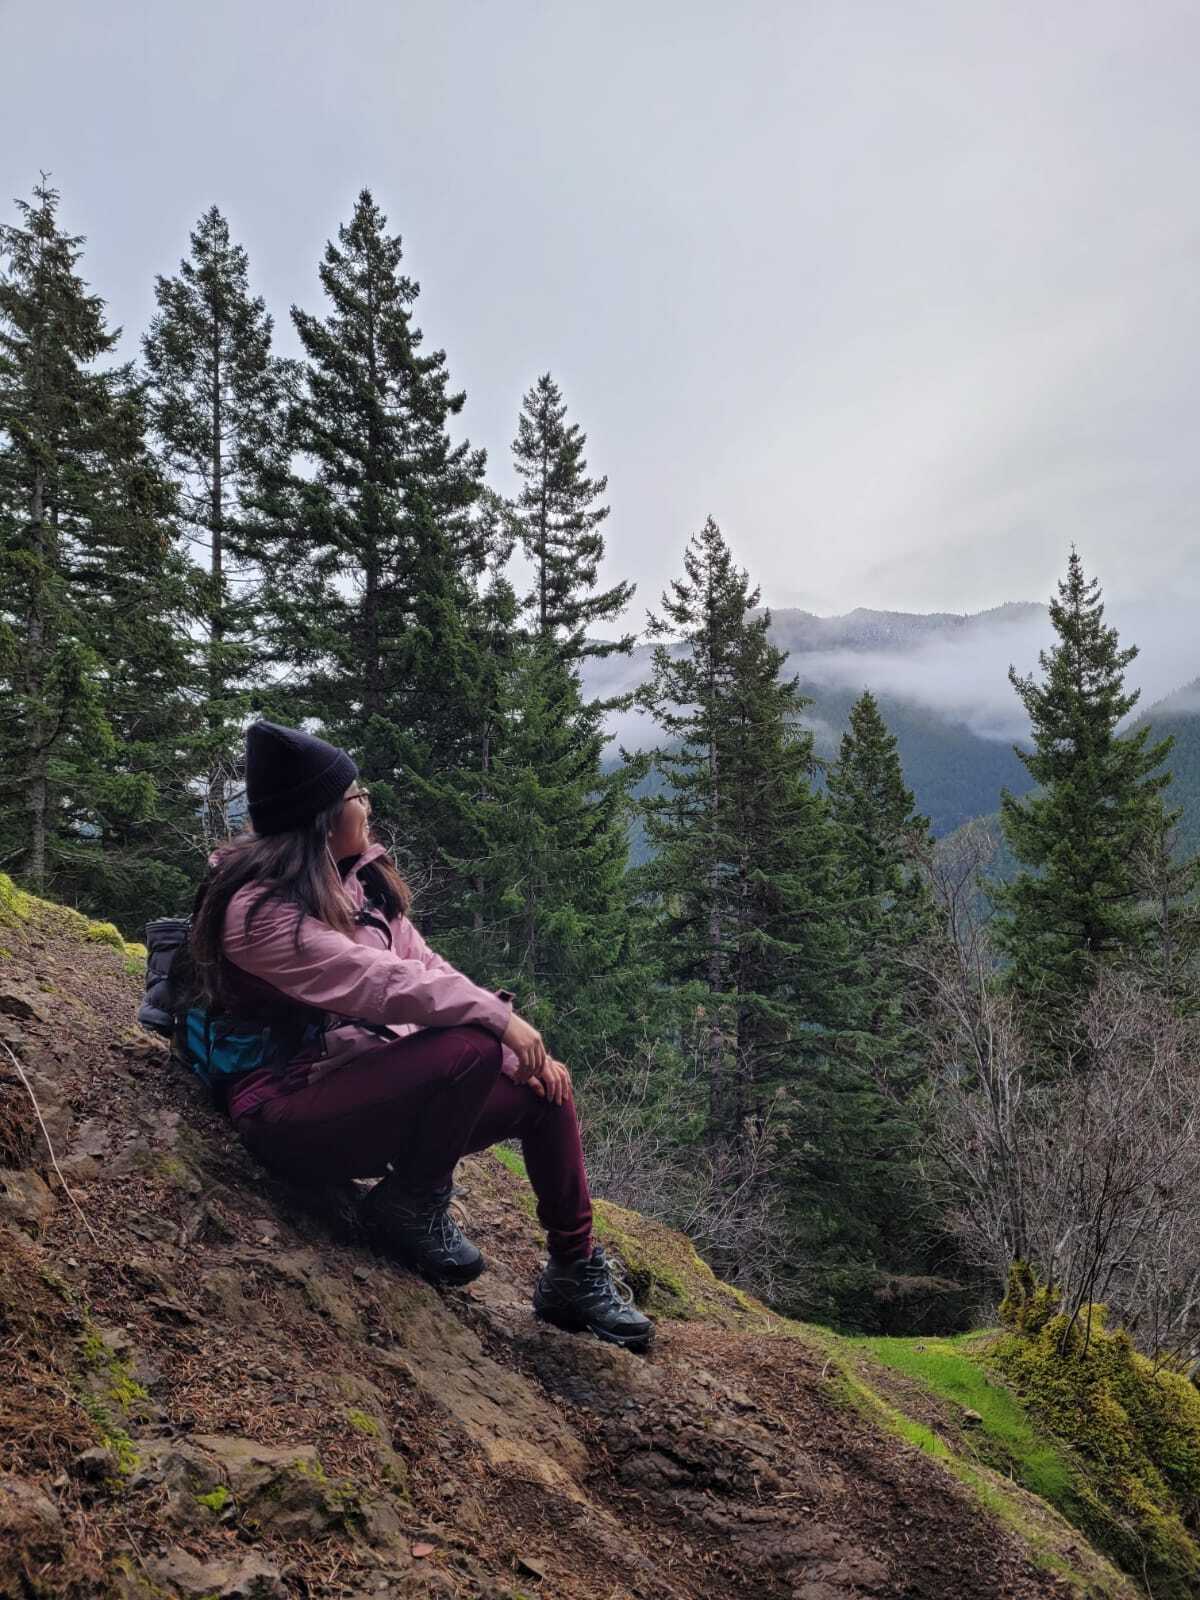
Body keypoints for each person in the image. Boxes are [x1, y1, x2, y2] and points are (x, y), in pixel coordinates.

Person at [186, 720, 652, 1351]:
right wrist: (498, 1023)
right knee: (470, 1047)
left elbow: (426, 968)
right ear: (321, 817)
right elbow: (377, 980)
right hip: (284, 1112)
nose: (367, 804)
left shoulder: (359, 882)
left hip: (352, 1081)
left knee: (545, 1089)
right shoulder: (257, 914)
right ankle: (413, 1201)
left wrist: (514, 1046)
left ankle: (573, 1269)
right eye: (357, 795)